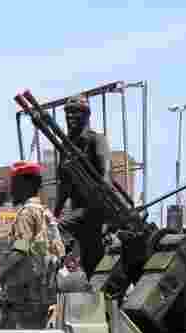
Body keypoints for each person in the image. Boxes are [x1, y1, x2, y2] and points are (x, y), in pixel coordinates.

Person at [53, 95, 113, 279]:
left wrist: (100, 197)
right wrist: (54, 212)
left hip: (94, 208)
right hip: (78, 209)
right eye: (67, 113)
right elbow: (64, 185)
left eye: (75, 112)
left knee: (58, 229)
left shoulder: (96, 140)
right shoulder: (66, 146)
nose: (70, 117)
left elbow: (106, 174)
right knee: (91, 260)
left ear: (87, 115)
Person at [0, 161, 51, 329]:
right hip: (41, 291)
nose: (11, 190)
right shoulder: (45, 213)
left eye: (14, 184)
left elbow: (20, 249)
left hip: (24, 293)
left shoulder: (26, 214)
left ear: (26, 185)